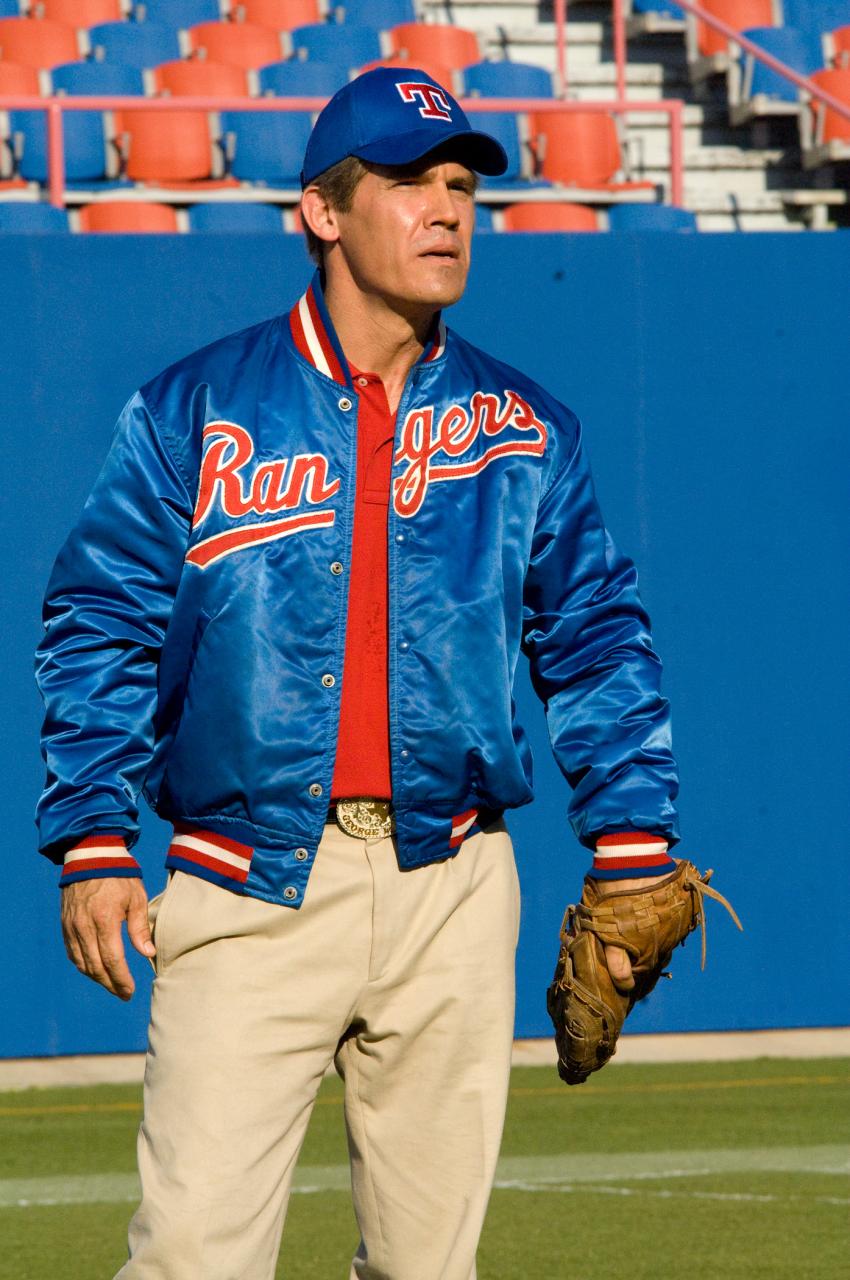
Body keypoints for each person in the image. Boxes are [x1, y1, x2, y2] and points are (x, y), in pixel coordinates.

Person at [35, 68, 680, 1280]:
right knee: (192, 1257)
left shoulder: (522, 425)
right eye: (408, 181)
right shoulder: (196, 409)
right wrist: (94, 839)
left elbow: (594, 633)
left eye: (461, 185)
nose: (446, 209)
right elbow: (100, 620)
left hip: (453, 882)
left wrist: (632, 845)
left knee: (428, 1267)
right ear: (323, 211)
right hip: (249, 878)